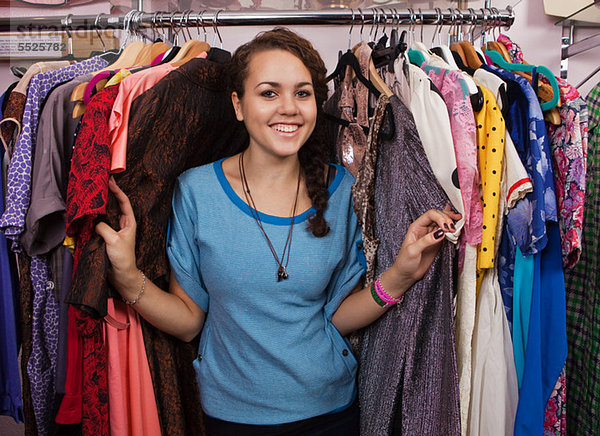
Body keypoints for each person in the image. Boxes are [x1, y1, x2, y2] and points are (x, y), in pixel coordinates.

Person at [95, 28, 461, 435]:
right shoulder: (196, 191)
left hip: (330, 414)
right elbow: (189, 320)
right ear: (238, 104)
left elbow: (335, 319)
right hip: (230, 419)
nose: (288, 108)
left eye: (302, 94)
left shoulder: (342, 191)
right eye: (268, 93)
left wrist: (403, 273)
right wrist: (128, 277)